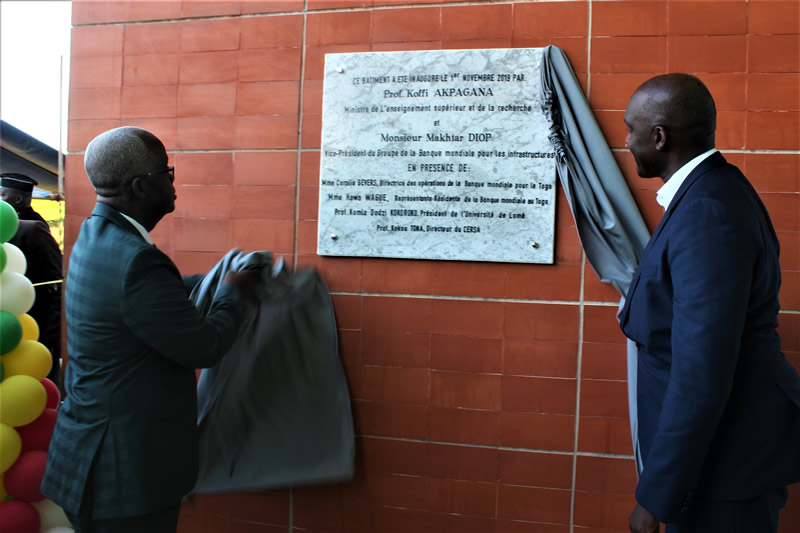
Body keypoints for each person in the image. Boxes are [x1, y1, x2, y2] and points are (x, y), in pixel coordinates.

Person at [41, 126, 261, 533]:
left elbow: (147, 300)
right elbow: (205, 347)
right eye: (168, 173)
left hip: (87, 455)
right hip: (123, 476)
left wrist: (210, 279)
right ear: (142, 186)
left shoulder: (95, 233)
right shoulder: (136, 260)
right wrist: (233, 293)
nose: (174, 182)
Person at [619, 73, 800, 533]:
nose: (626, 140)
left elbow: (702, 371)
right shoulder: (710, 192)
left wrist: (656, 497)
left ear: (659, 137)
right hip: (715, 462)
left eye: (630, 129)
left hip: (724, 466)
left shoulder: (707, 212)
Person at [0, 173, 63, 383]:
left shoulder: (33, 228)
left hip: (34, 327)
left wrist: (51, 335)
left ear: (17, 199)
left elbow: (56, 282)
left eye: (2, 195)